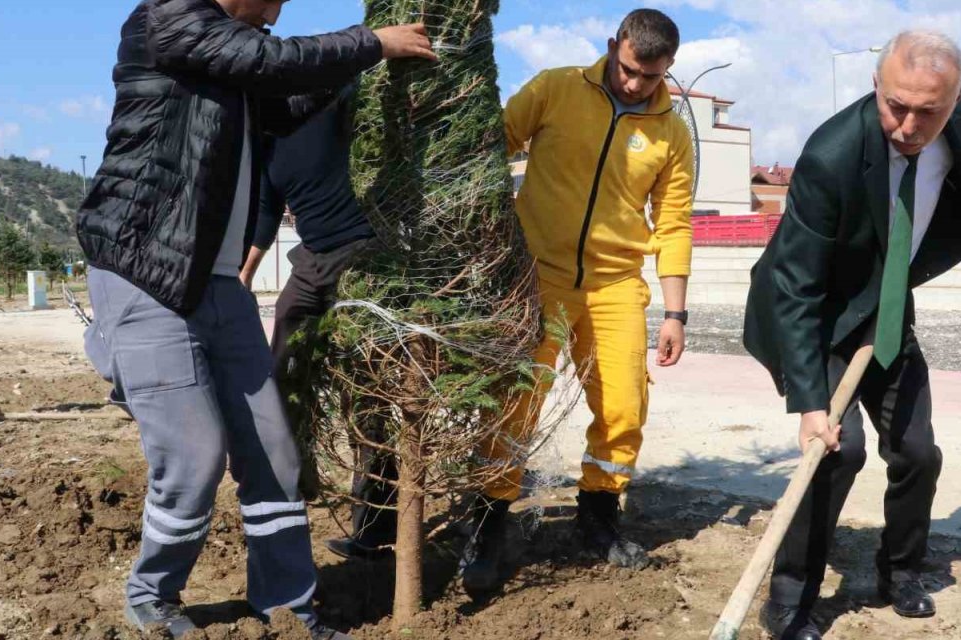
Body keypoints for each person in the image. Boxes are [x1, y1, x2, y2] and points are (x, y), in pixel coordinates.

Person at [76, 0, 434, 637]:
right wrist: (371, 42)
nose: (273, 15)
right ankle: (153, 593)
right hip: (146, 272)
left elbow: (283, 99)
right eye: (270, 2)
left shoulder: (234, 60)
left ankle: (288, 606)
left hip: (216, 285)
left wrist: (362, 77)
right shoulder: (168, 18)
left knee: (273, 450)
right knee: (193, 453)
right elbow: (268, 59)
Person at [741, 30, 961, 640]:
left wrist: (893, 290)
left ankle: (900, 573)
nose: (908, 124)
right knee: (835, 450)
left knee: (918, 453)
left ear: (956, 101)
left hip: (886, 309)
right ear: (876, 85)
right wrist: (810, 404)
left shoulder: (955, 119)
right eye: (896, 104)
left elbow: (939, 222)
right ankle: (791, 596)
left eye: (929, 110)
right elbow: (796, 285)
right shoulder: (831, 155)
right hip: (817, 315)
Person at [459, 8, 694, 595]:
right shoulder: (555, 88)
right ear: (613, 47)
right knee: (516, 402)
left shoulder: (672, 132)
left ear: (669, 68)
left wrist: (675, 312)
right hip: (538, 276)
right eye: (629, 69)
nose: (637, 84)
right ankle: (487, 522)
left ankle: (598, 517)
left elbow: (673, 220)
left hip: (617, 285)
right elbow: (489, 146)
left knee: (623, 407)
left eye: (652, 75)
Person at [239, 82, 397, 561]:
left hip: (362, 256)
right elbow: (266, 216)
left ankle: (373, 528)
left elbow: (366, 89)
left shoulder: (329, 106)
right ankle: (290, 476)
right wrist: (243, 278)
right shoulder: (265, 146)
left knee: (367, 394)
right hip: (314, 260)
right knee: (282, 362)